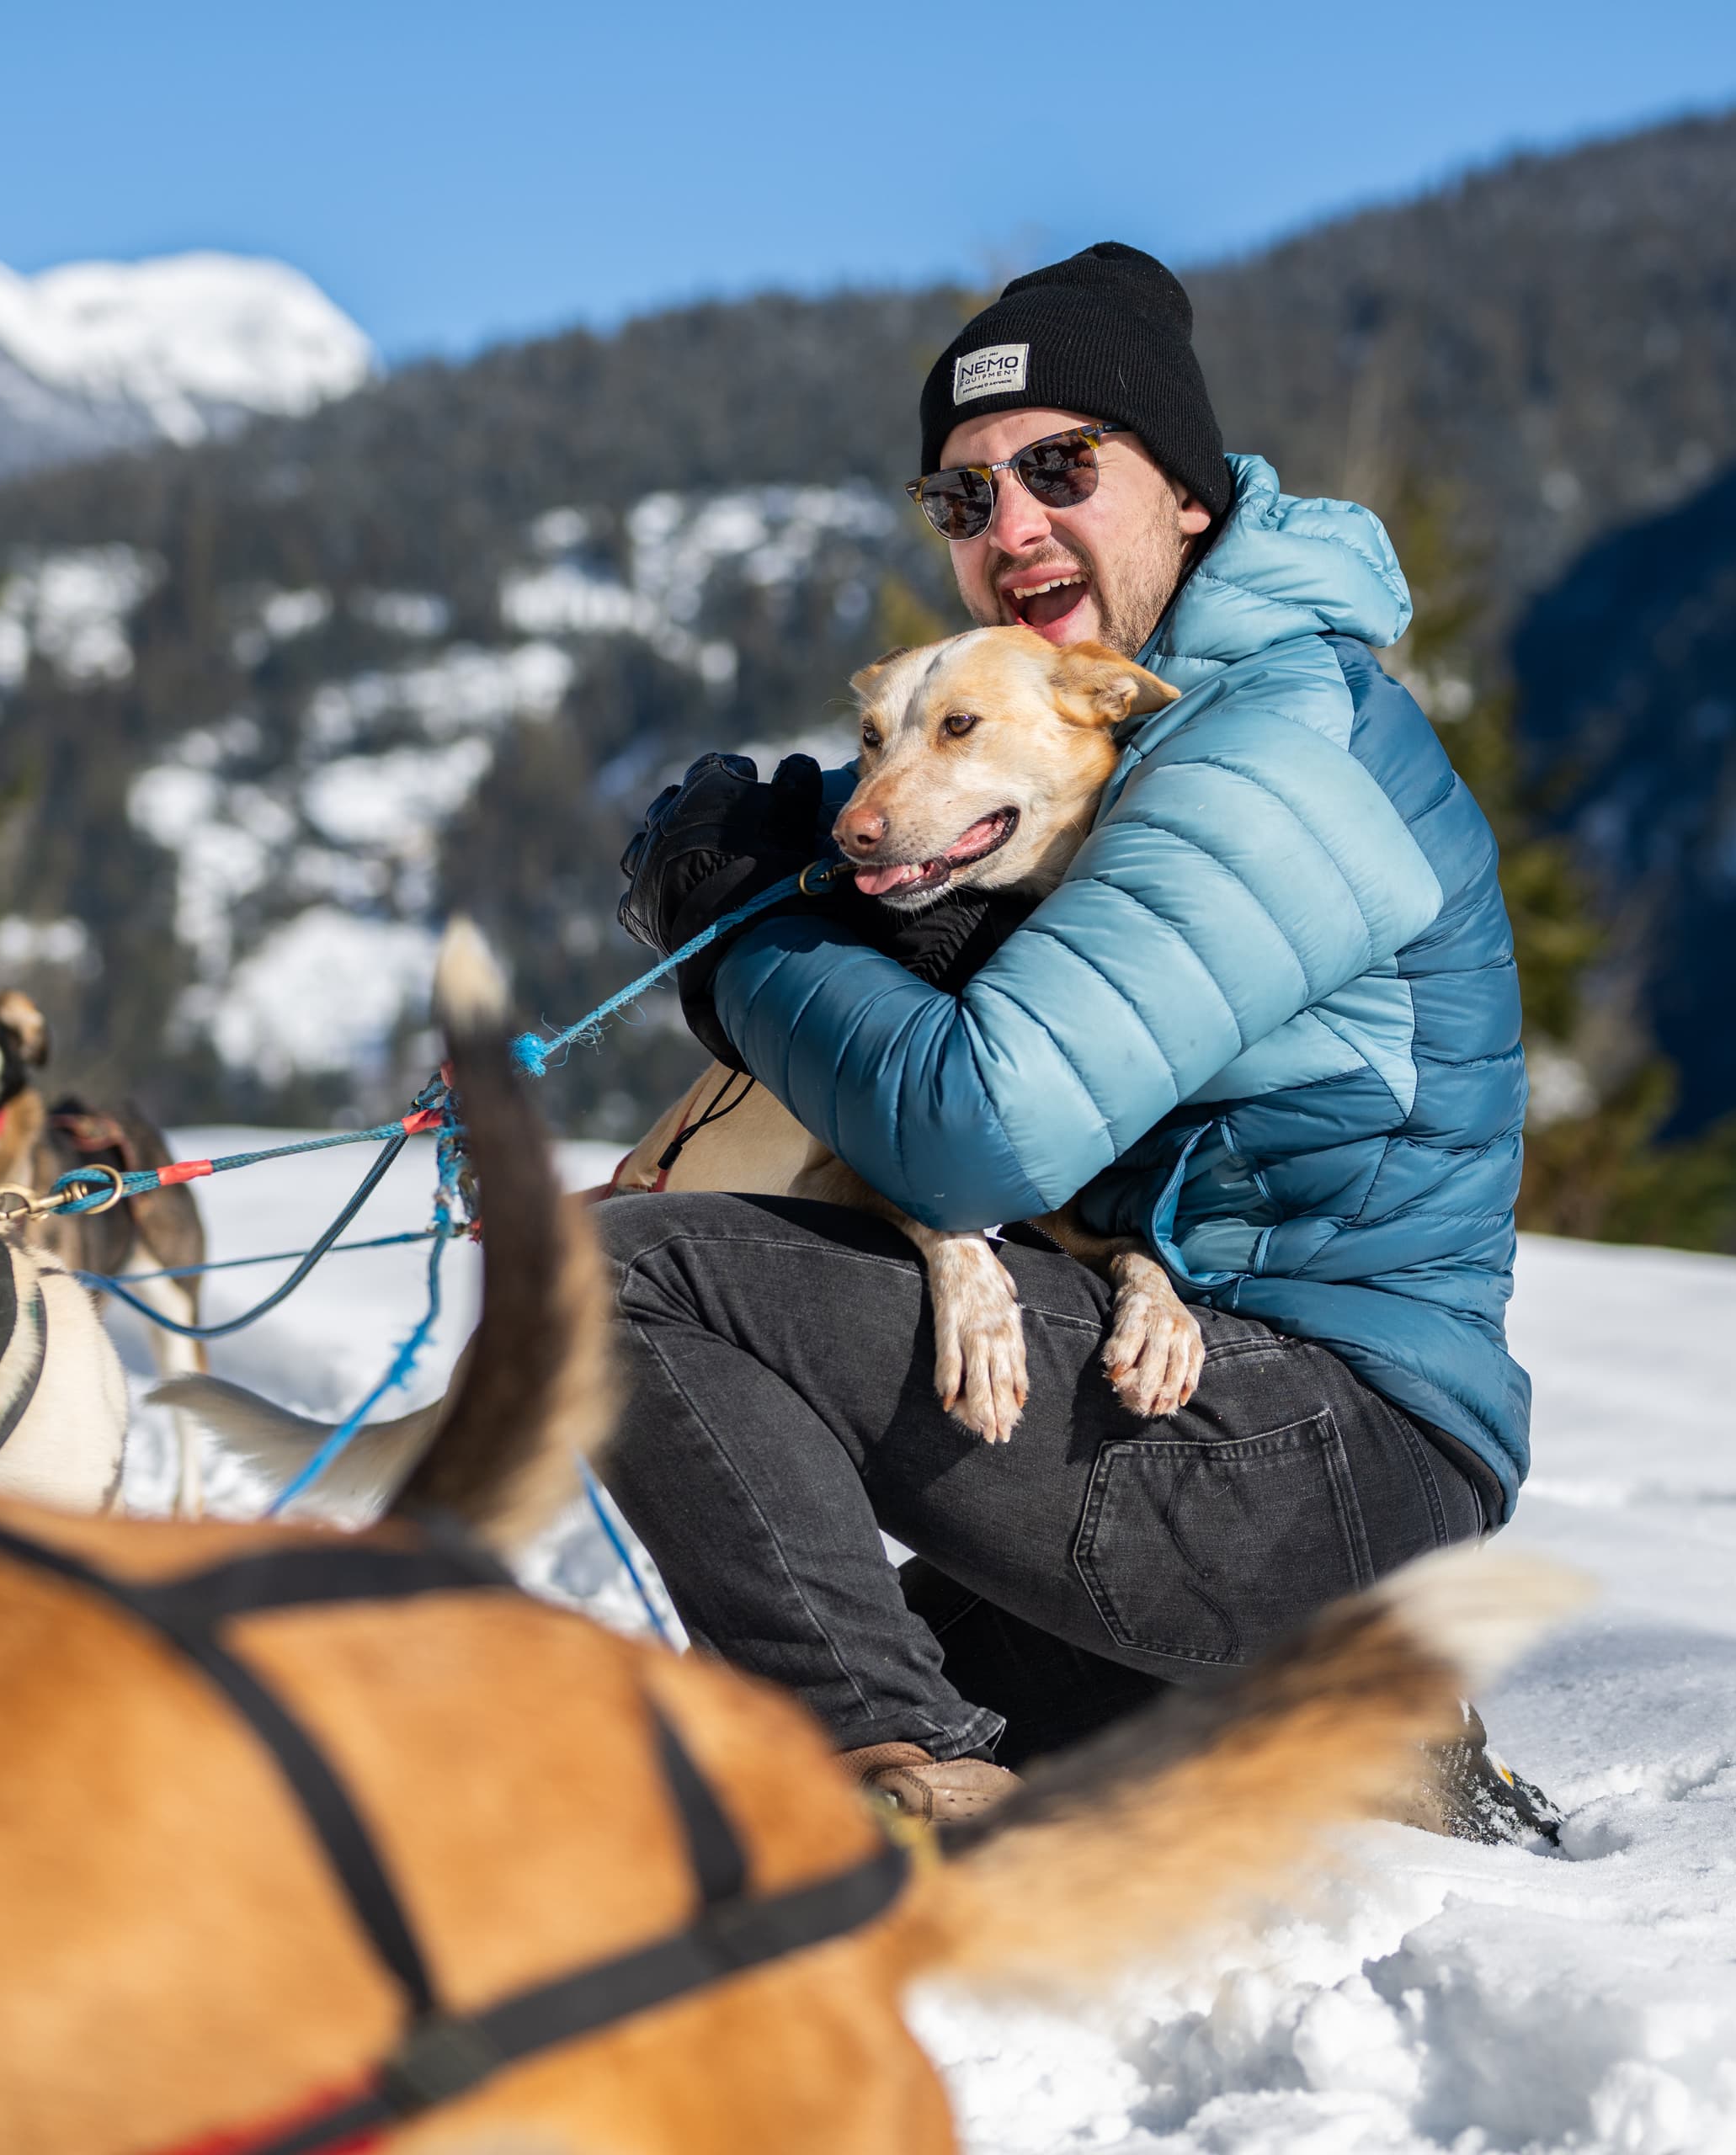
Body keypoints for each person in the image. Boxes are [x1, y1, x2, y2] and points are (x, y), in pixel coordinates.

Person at [599, 243, 1536, 1828]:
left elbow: (977, 1131)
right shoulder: (1148, 736)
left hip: (1309, 1438)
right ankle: (1336, 1722)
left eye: (1058, 467)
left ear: (1183, 489)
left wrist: (748, 934)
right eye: (963, 499)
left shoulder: (1272, 748)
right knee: (695, 1789)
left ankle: (898, 1781)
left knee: (612, 1279)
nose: (1012, 527)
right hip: (1212, 1392)